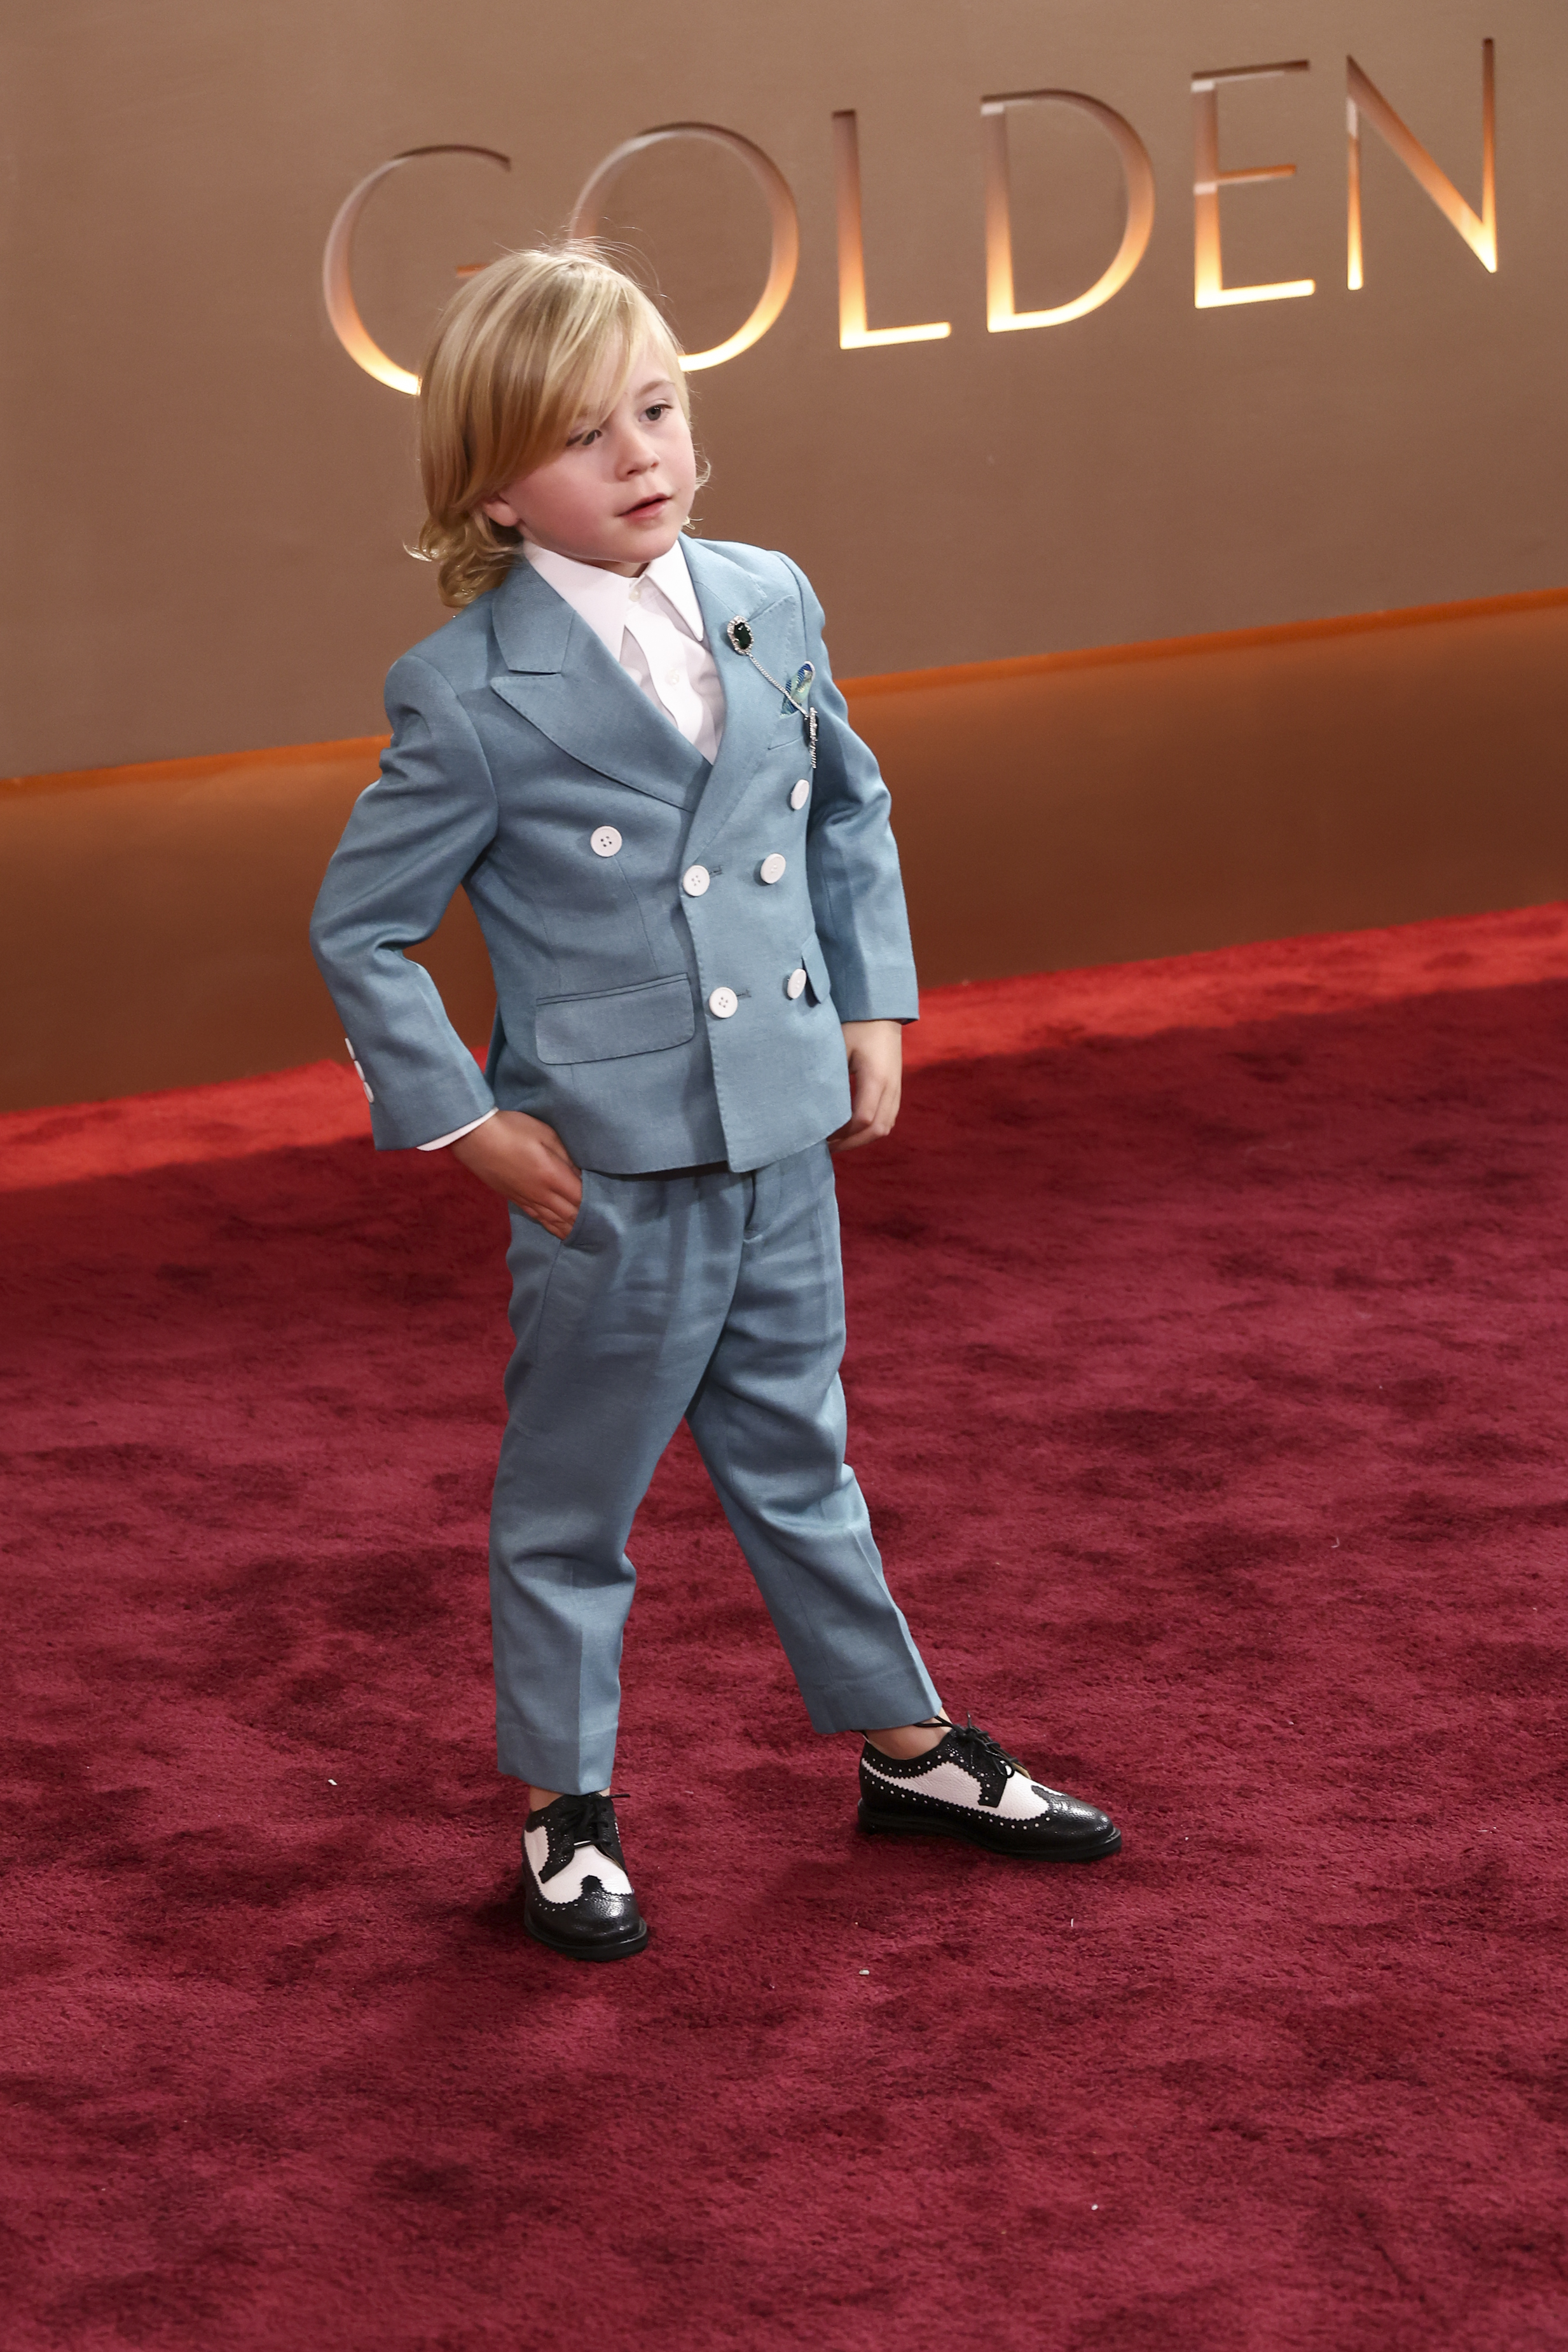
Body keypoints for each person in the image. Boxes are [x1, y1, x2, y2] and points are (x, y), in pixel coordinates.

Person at [310, 245, 1120, 1962]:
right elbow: (362, 928)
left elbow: (846, 802)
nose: (641, 457)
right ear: (493, 491)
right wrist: (464, 1119)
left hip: (775, 1126)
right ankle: (562, 1807)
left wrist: (874, 997)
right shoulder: (463, 692)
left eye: (659, 409)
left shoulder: (768, 594)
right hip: (602, 1162)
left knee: (796, 1451)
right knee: (572, 1499)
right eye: (585, 436)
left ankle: (901, 1747)